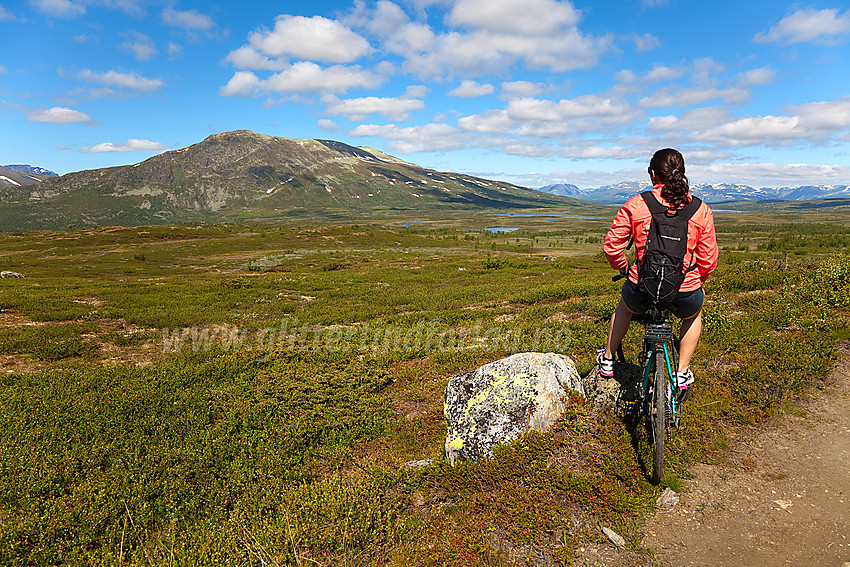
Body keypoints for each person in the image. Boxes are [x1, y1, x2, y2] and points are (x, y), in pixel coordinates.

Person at [597, 148, 718, 400]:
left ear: (652, 174)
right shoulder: (700, 209)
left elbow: (611, 245)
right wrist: (699, 280)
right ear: (682, 174)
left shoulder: (636, 204)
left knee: (625, 308)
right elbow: (708, 259)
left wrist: (623, 267)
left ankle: (608, 360)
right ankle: (682, 372)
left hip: (642, 287)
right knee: (693, 315)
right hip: (684, 290)